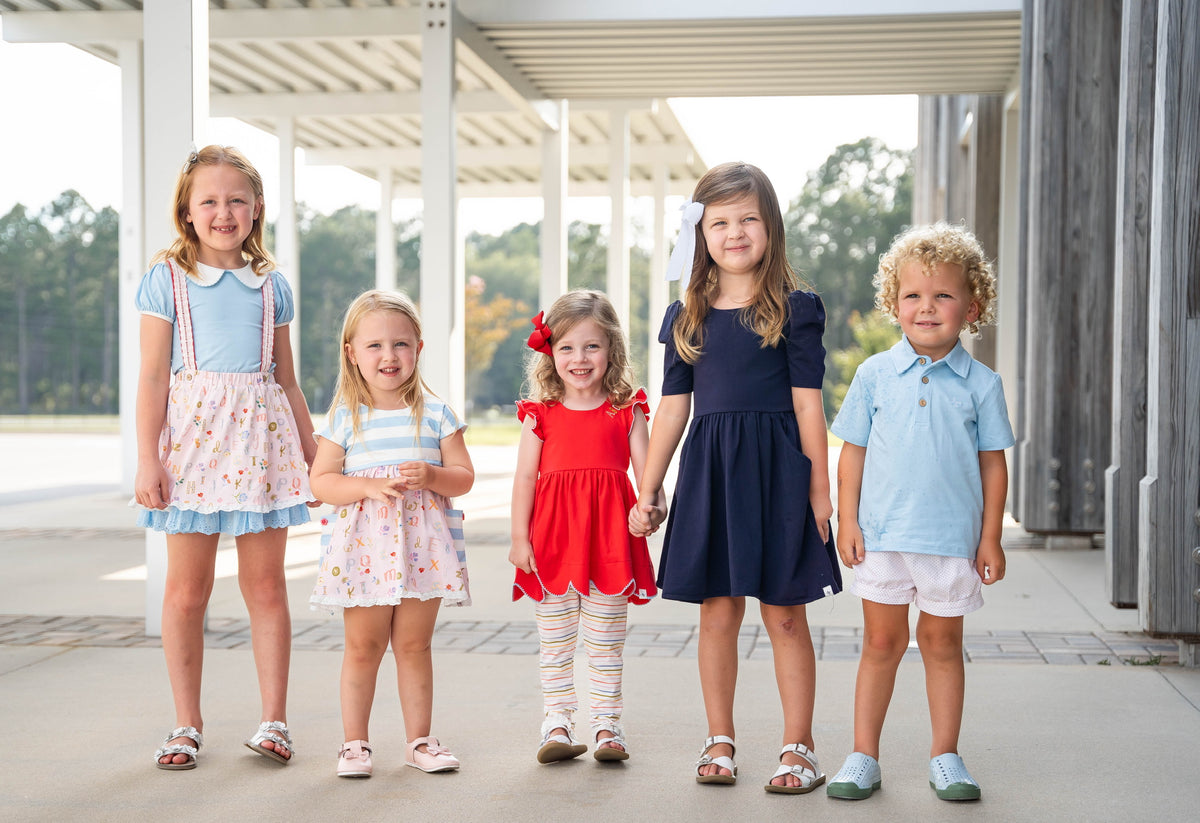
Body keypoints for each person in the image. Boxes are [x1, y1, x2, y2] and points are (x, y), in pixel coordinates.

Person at [630, 161, 841, 793]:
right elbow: (673, 409)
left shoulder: (795, 310)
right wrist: (650, 485)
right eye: (719, 221)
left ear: (770, 227)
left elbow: (809, 404)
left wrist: (819, 489)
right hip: (712, 476)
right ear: (700, 233)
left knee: (784, 616)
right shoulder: (686, 314)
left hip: (778, 474)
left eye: (748, 218)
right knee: (717, 614)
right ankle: (718, 739)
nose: (735, 232)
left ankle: (798, 746)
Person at [134, 145, 317, 770]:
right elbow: (154, 376)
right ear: (187, 211)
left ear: (257, 208)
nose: (223, 211)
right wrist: (146, 459)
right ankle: (186, 723)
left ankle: (274, 721)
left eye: (237, 199)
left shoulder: (274, 287)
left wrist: (312, 452)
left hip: (261, 448)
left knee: (266, 587)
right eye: (208, 200)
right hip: (190, 450)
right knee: (187, 591)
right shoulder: (168, 279)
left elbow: (287, 380)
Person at [826, 223, 1014, 802]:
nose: (926, 307)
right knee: (880, 645)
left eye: (943, 295)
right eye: (912, 295)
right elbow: (851, 457)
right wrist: (847, 520)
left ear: (971, 305)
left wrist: (990, 538)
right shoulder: (874, 376)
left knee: (941, 645)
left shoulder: (982, 384)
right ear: (894, 303)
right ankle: (863, 756)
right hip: (883, 537)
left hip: (951, 540)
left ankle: (945, 756)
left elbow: (992, 466)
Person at [309, 289, 474, 779]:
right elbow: (321, 482)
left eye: (400, 344)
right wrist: (366, 485)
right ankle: (354, 744)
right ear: (352, 353)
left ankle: (419, 741)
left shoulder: (437, 414)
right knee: (363, 647)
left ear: (419, 348)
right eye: (375, 345)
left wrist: (433, 476)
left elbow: (463, 477)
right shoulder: (345, 417)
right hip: (364, 551)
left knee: (414, 646)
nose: (388, 356)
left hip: (424, 549)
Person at [509, 290, 662, 764]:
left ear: (612, 349)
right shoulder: (540, 415)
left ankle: (606, 726)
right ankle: (556, 722)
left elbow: (649, 476)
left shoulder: (627, 411)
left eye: (591, 346)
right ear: (549, 353)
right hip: (550, 545)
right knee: (555, 643)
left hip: (611, 544)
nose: (579, 359)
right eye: (567, 348)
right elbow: (525, 479)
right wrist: (518, 538)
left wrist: (651, 509)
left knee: (605, 643)